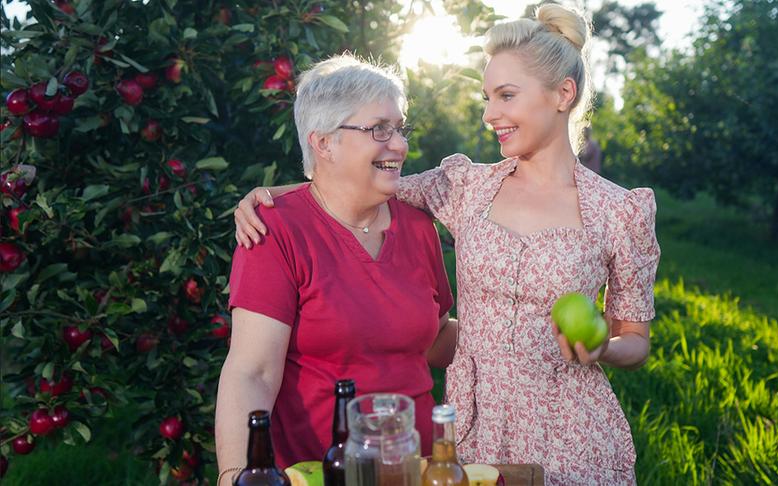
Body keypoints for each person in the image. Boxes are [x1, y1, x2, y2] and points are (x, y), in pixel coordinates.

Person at [233, 5, 660, 484]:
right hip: (472, 430)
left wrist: (603, 345)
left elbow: (636, 342)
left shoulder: (621, 212)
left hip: (573, 433)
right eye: (486, 97)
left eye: (506, 96)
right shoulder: (466, 188)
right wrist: (271, 196)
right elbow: (359, 181)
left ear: (563, 94)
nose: (488, 114)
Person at [214, 55, 457, 486]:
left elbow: (436, 340)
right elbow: (252, 372)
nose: (399, 144)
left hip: (417, 469)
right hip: (318, 472)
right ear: (323, 143)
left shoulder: (419, 227)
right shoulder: (276, 231)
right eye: (379, 129)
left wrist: (521, 328)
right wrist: (235, 475)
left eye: (400, 128)